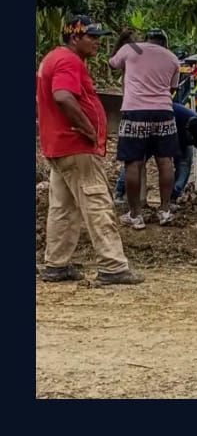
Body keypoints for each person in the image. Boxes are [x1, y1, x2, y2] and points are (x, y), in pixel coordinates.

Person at [36, 15, 143, 284]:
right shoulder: (68, 61)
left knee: (63, 206)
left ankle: (56, 265)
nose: (97, 42)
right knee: (96, 201)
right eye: (92, 37)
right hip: (75, 146)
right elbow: (62, 96)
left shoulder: (55, 57)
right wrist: (87, 129)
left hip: (58, 145)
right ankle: (113, 266)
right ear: (75, 38)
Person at [109, 27, 181, 228]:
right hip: (164, 113)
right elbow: (172, 89)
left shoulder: (130, 49)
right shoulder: (173, 58)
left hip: (135, 112)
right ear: (165, 43)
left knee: (134, 163)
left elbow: (112, 63)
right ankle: (165, 211)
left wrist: (121, 40)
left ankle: (135, 215)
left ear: (146, 39)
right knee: (165, 162)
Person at [115, 102, 197, 210]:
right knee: (137, 159)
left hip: (176, 133)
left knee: (185, 162)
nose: (192, 143)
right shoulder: (175, 115)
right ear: (187, 131)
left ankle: (172, 198)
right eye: (191, 140)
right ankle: (121, 192)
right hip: (155, 125)